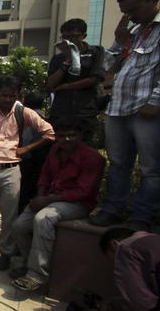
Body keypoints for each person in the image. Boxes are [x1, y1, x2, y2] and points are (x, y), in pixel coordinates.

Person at [90, 0, 160, 232]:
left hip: (148, 109)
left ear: (154, 0)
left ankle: (142, 216)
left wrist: (156, 101)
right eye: (125, 12)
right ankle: (112, 210)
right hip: (119, 107)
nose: (130, 16)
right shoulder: (135, 29)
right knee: (118, 163)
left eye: (133, 10)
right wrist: (120, 42)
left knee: (151, 168)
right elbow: (109, 67)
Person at [0, 76, 54, 270]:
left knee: (9, 215)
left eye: (12, 96)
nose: (7, 99)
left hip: (12, 170)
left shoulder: (23, 112)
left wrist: (27, 148)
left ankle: (5, 252)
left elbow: (49, 133)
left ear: (18, 96)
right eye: (4, 95)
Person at [11, 118, 105, 291]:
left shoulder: (93, 158)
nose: (66, 139)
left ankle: (36, 275)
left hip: (76, 203)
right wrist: (39, 197)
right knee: (19, 225)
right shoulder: (55, 149)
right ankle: (27, 261)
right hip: (50, 198)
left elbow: (83, 192)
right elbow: (45, 175)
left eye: (71, 135)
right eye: (62, 136)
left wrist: (47, 200)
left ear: (80, 136)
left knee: (43, 219)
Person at [46, 18, 105, 143]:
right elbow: (51, 83)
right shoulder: (58, 58)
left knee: (84, 146)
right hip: (60, 112)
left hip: (84, 111)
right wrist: (67, 61)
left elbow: (95, 79)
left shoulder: (95, 52)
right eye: (65, 37)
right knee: (58, 146)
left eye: (73, 36)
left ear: (83, 36)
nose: (69, 41)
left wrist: (66, 86)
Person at [17, 92, 51, 214]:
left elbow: (26, 141)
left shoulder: (31, 119)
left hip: (29, 162)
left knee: (24, 194)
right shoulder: (45, 119)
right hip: (41, 162)